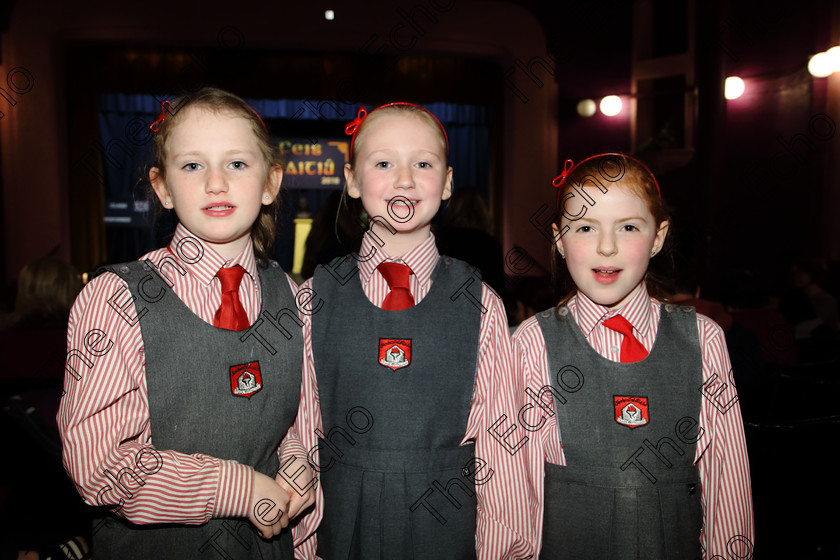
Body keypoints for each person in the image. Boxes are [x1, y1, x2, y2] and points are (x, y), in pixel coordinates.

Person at [57, 87, 316, 559]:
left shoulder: (292, 295)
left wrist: (298, 465)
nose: (215, 183)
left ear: (271, 182)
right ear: (162, 187)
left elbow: (291, 421)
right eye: (192, 165)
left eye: (237, 164)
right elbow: (99, 467)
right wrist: (239, 487)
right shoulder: (113, 301)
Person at [296, 103, 529, 559]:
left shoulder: (481, 303)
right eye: (383, 163)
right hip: (343, 528)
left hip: (445, 530)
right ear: (353, 179)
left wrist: (503, 549)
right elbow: (302, 435)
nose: (404, 179)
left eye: (422, 163)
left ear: (446, 183)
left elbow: (502, 443)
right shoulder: (312, 298)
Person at [511, 154, 754, 558]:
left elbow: (725, 475)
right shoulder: (531, 343)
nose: (607, 247)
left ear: (658, 237)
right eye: (586, 227)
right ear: (557, 238)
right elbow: (518, 489)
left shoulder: (704, 339)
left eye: (627, 227)